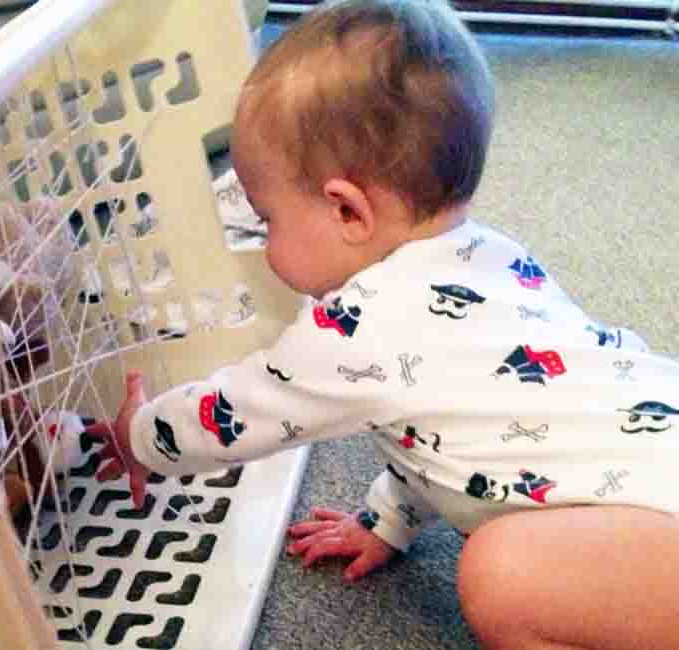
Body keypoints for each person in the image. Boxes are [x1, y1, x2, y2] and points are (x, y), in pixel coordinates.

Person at [87, 1, 679, 648]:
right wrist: (385, 520)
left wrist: (140, 435)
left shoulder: (352, 328)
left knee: (501, 576)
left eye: (267, 219)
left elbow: (235, 412)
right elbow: (443, 423)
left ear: (347, 212)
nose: (265, 240)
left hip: (660, 519)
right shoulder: (494, 253)